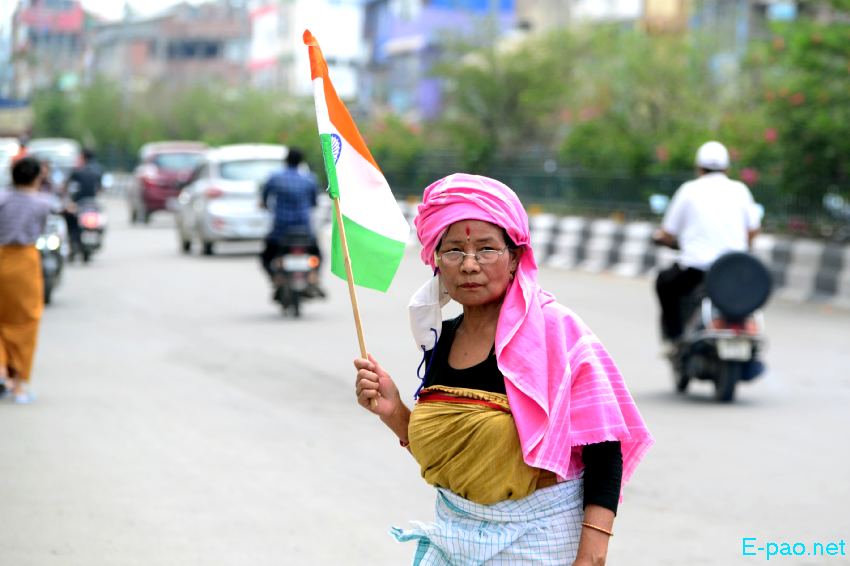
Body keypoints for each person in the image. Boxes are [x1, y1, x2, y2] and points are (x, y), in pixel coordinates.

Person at [353, 173, 653, 565]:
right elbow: (459, 457)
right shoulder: (441, 339)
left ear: (514, 258)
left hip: (539, 545)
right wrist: (394, 413)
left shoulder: (556, 332)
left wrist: (592, 557)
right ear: (436, 261)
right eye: (455, 250)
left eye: (486, 249)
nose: (470, 265)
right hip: (455, 541)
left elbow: (605, 452)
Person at [653, 141, 762, 343]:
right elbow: (754, 230)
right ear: (727, 168)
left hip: (695, 272)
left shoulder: (688, 190)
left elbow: (667, 233)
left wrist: (663, 239)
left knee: (664, 283)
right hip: (733, 270)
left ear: (699, 168)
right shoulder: (740, 190)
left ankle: (674, 337)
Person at [0, 157, 52, 404]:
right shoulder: (41, 203)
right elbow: (41, 231)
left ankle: (1, 369)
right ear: (36, 178)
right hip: (24, 263)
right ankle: (19, 384)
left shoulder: (2, 199)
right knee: (26, 321)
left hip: (1, 257)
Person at [259, 147, 324, 296]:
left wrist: (264, 204)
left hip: (281, 231)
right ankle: (314, 276)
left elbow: (265, 196)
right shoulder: (309, 179)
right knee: (319, 254)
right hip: (304, 230)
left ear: (286, 160)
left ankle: (277, 278)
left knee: (266, 256)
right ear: (301, 162)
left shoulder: (275, 178)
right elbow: (314, 202)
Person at [62, 148, 103, 259]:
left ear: (83, 158)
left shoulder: (77, 171)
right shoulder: (98, 170)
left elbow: (66, 186)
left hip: (79, 203)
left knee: (69, 218)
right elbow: (100, 188)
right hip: (93, 203)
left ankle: (73, 241)